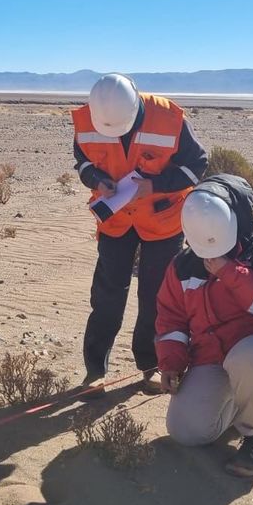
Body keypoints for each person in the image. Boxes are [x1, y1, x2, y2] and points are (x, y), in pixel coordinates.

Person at [154, 174, 253, 477]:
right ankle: (244, 404)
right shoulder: (183, 266)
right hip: (213, 358)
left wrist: (232, 273)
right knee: (186, 431)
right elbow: (170, 317)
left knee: (248, 357)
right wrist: (170, 363)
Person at [72, 74, 208, 394]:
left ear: (136, 107)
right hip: (116, 219)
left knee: (156, 297)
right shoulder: (89, 118)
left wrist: (156, 186)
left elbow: (196, 165)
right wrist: (96, 178)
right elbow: (81, 162)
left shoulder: (170, 119)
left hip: (161, 220)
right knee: (107, 295)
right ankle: (95, 372)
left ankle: (150, 367)